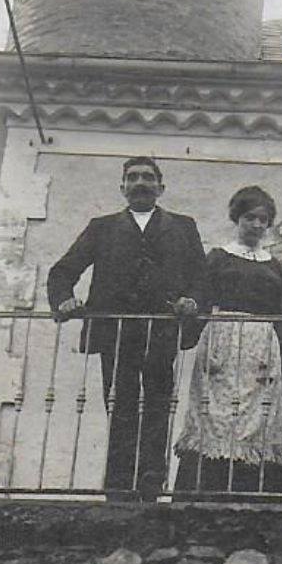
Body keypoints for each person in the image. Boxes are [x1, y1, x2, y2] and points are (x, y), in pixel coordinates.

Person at [47, 156, 204, 501]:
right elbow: (63, 271)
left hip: (161, 334)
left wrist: (192, 301)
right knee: (120, 409)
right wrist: (64, 301)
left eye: (148, 177)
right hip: (116, 335)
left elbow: (201, 279)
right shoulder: (101, 227)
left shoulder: (183, 226)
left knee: (158, 409)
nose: (140, 183)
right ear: (122, 188)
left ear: (161, 188)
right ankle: (118, 492)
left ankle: (150, 489)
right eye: (132, 178)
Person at [172, 185, 282, 500]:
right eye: (250, 217)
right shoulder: (218, 257)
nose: (256, 225)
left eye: (263, 220)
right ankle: (206, 491)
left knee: (259, 415)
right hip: (223, 339)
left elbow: (280, 308)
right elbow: (201, 293)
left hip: (261, 343)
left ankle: (255, 493)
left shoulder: (274, 264)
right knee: (216, 413)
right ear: (237, 218)